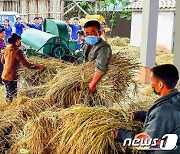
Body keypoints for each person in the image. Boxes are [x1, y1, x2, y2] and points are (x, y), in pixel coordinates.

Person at [114, 64, 180, 153]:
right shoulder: (176, 99)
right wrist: (141, 115)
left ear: (160, 84)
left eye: (152, 81)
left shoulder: (162, 110)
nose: (151, 84)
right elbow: (169, 119)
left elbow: (146, 143)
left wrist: (121, 135)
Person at [1, 33, 45, 102]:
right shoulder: (17, 51)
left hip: (4, 75)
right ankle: (10, 109)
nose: (20, 42)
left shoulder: (7, 48)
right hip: (11, 77)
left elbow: (2, 61)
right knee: (12, 96)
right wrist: (38, 67)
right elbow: (26, 64)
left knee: (9, 94)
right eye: (19, 40)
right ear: (17, 41)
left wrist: (12, 62)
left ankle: (8, 105)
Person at [80, 20, 112, 93]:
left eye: (93, 33)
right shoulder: (87, 44)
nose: (90, 36)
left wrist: (92, 85)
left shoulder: (104, 47)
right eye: (87, 33)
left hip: (97, 80)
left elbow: (100, 68)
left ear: (99, 33)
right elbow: (84, 59)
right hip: (86, 75)